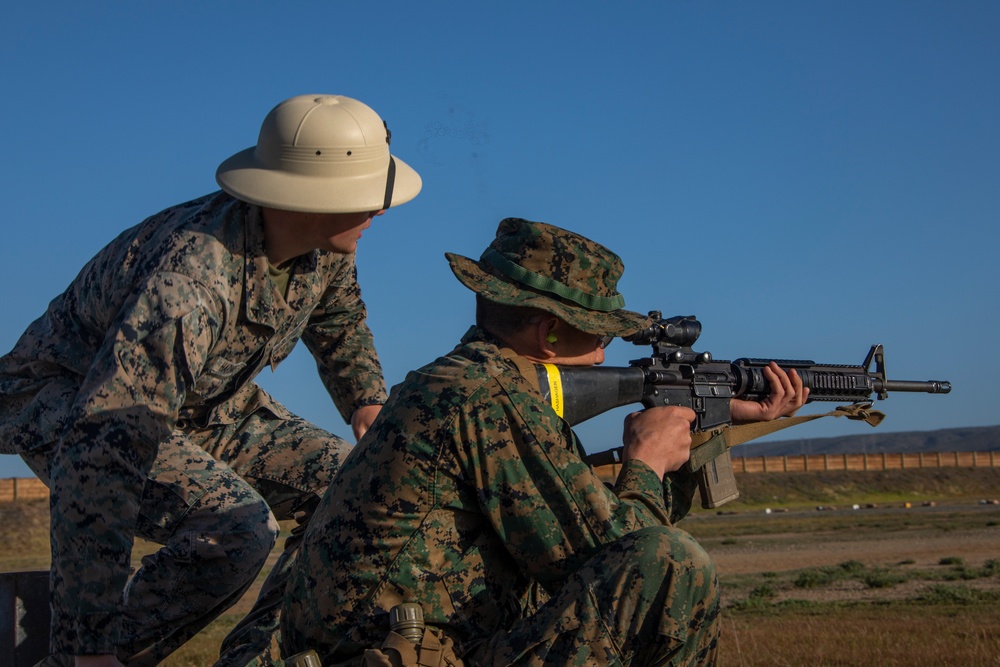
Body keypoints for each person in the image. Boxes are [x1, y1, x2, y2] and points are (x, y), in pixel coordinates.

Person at [0, 94, 422, 667]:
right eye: (367, 197)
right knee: (240, 530)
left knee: (352, 487)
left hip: (202, 408)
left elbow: (337, 315)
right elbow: (101, 454)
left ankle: (261, 658)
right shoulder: (188, 287)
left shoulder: (322, 244)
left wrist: (365, 400)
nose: (381, 211)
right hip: (76, 408)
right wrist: (89, 645)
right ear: (309, 199)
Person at [280, 218, 807, 666]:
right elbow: (617, 557)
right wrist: (646, 462)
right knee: (675, 563)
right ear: (549, 334)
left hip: (396, 650)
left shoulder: (459, 380)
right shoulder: (488, 395)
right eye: (598, 336)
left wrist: (709, 423)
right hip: (395, 655)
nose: (603, 355)